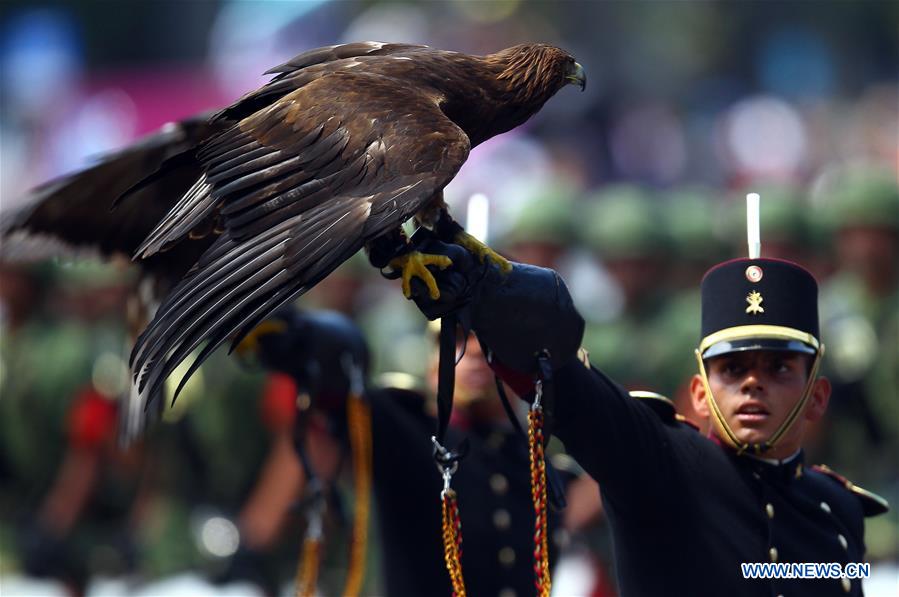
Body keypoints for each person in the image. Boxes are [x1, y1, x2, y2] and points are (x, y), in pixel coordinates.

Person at [403, 227, 889, 596]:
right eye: (732, 369)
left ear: (818, 397)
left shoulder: (837, 507)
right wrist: (486, 295)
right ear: (699, 393)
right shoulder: (664, 463)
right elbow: (574, 393)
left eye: (779, 368)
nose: (752, 383)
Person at [242, 306, 567, 597]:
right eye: (455, 340)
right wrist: (292, 333)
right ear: (432, 364)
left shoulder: (540, 464)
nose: (473, 352)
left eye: (489, 344)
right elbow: (342, 387)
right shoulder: (409, 432)